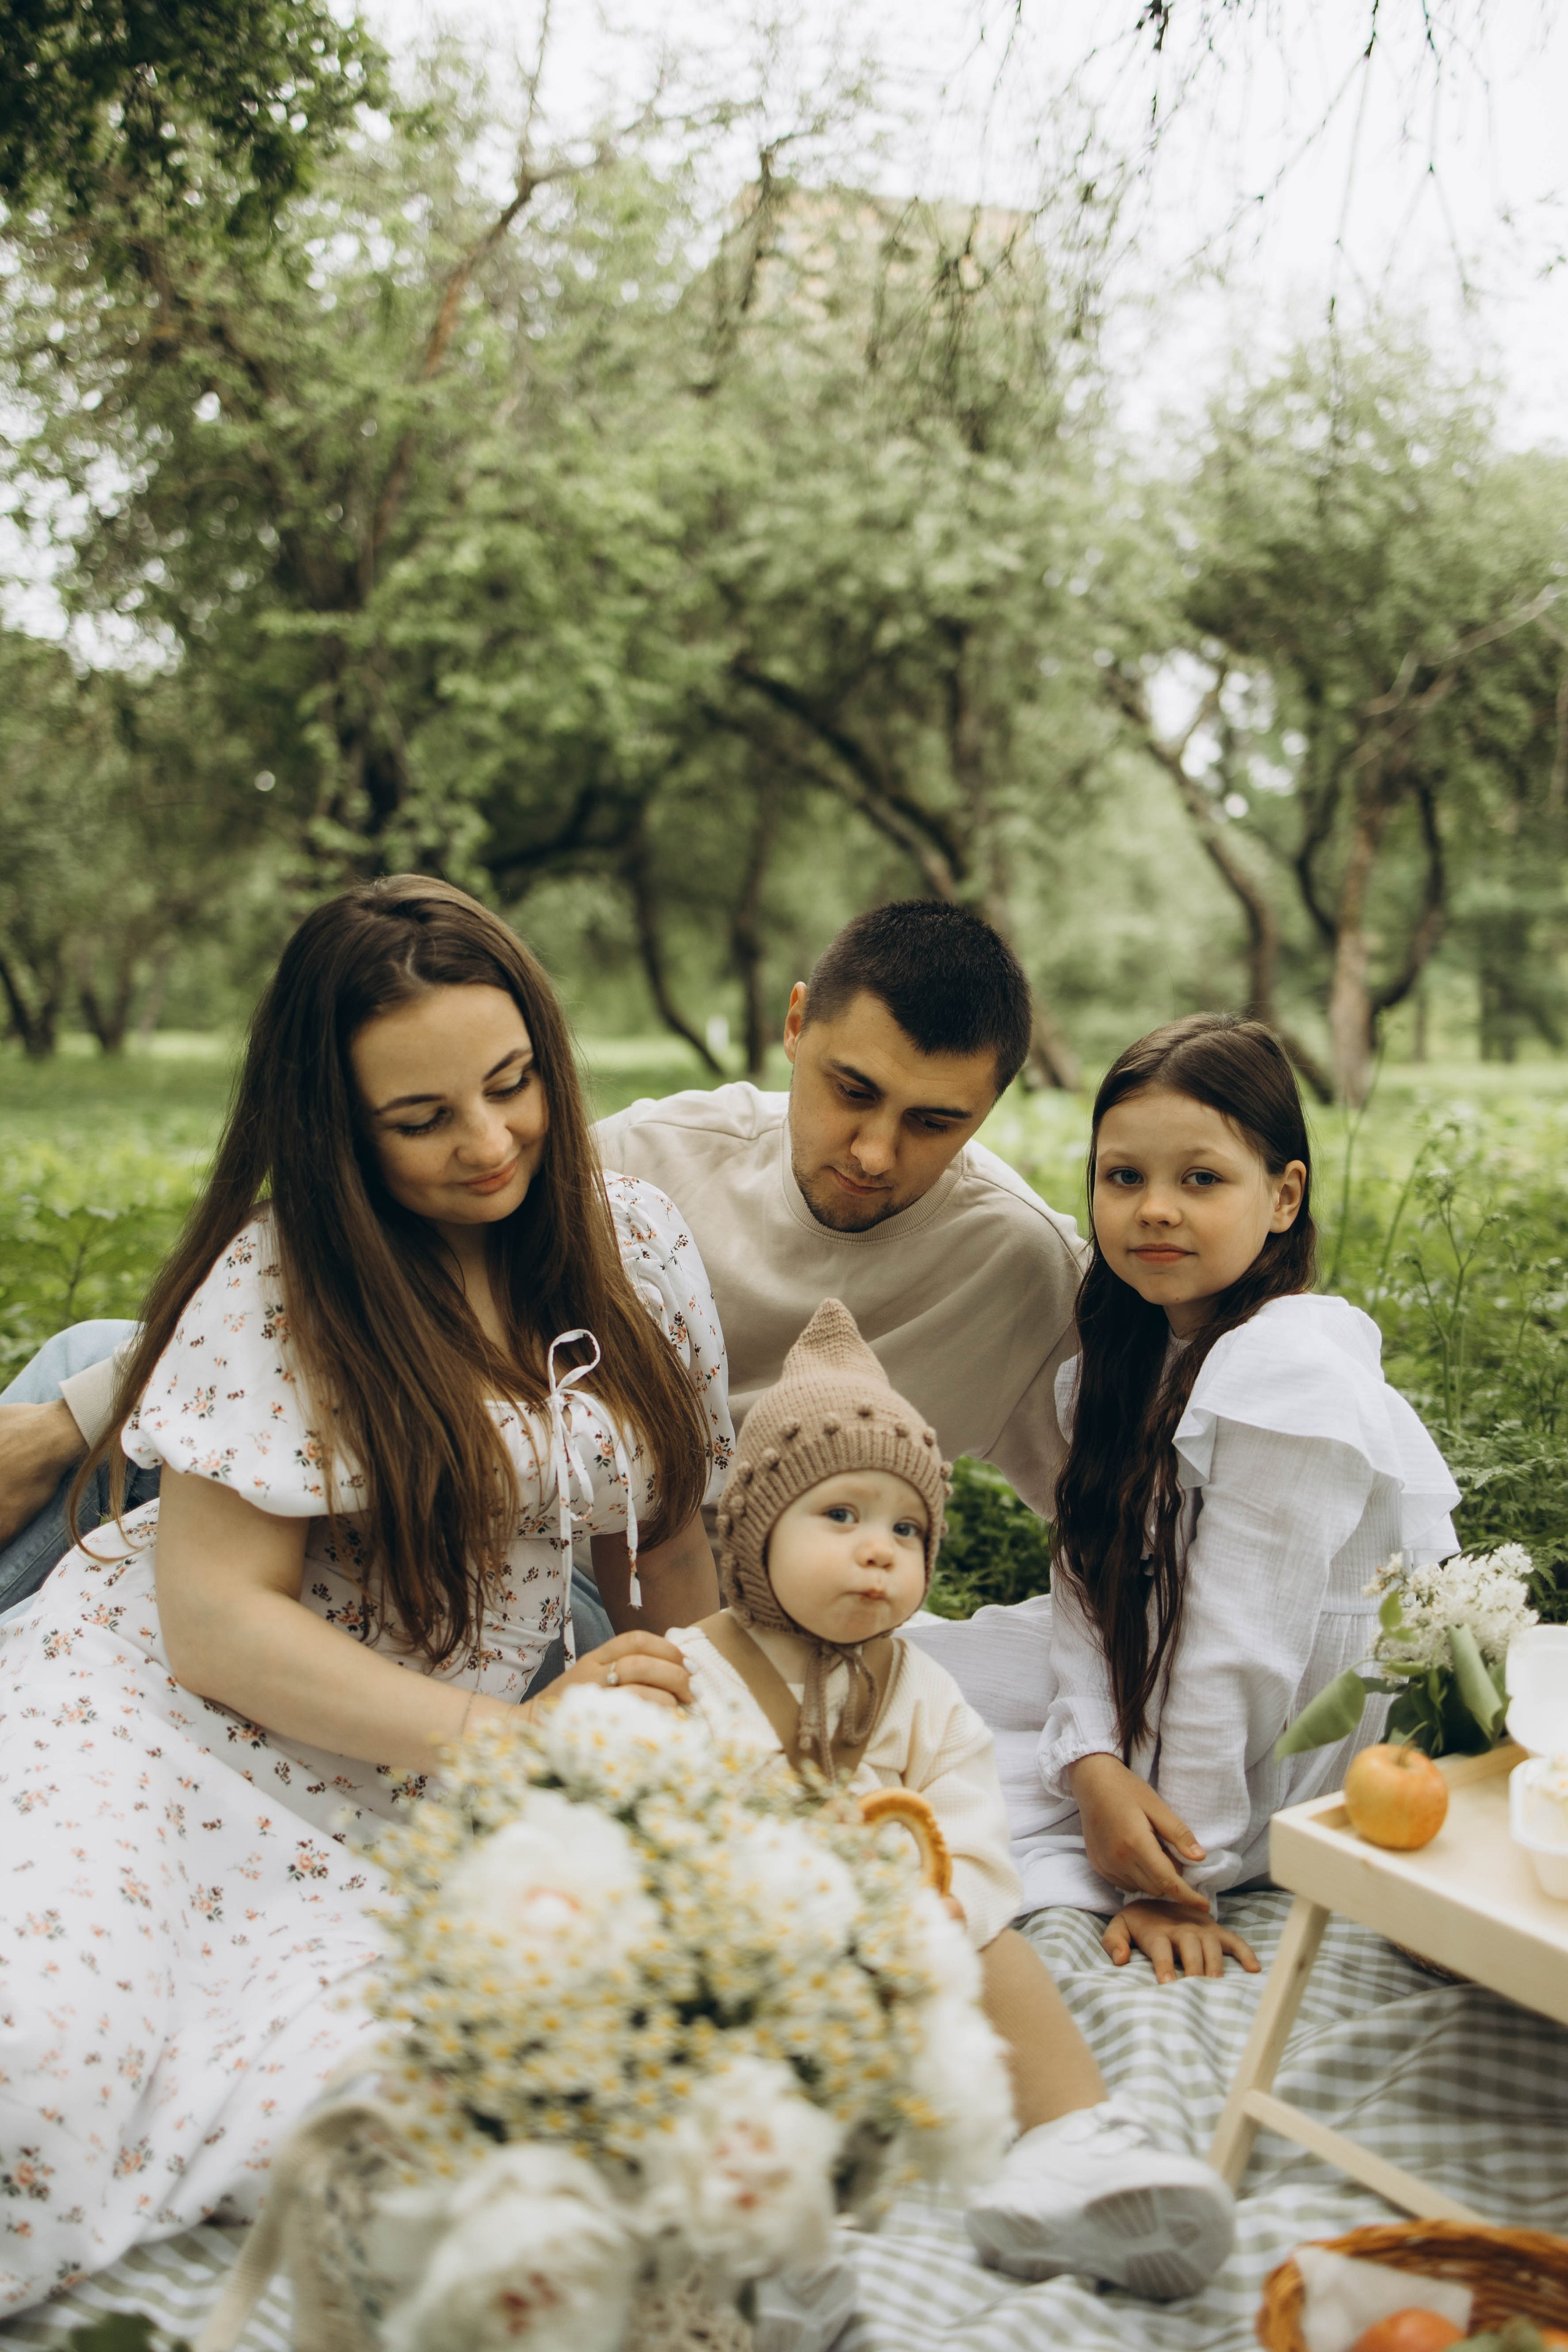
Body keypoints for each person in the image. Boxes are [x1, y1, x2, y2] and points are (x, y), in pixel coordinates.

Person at [0, 876, 731, 2312]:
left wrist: (711, 1749)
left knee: (524, 2095)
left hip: (414, 1797)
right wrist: (511, 1744)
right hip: (168, 1732)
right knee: (41, 2076)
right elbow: (212, 1627)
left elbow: (670, 1545)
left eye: (513, 1085)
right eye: (421, 1120)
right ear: (335, 1131)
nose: (489, 1142)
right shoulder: (281, 1286)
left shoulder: (631, 1245)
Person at [1, 897, 1086, 1612]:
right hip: (482, 1500)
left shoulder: (1019, 1266)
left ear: (994, 1104)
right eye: (852, 1090)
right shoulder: (655, 1163)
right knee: (89, 1364)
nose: (875, 1150)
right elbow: (352, 1275)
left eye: (938, 1123)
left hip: (604, 1597)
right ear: (797, 1025)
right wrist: (78, 1414)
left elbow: (1119, 1500)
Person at [671, 1298, 1238, 2302]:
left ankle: (1070, 2142)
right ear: (752, 1534)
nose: (879, 1548)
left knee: (997, 1951)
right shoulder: (687, 1675)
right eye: (838, 1516)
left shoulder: (920, 1690)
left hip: (892, 1950)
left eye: (906, 1528)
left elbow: (971, 1819)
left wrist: (943, 1900)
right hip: (740, 1952)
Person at [1001, 1016, 1461, 1981]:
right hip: (1159, 1672)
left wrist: (1175, 1876)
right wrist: (1092, 1762)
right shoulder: (1117, 1367)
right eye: (1124, 1178)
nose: (1155, 1209)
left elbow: (1241, 1648)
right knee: (906, 1684)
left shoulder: (1291, 1365)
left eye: (1200, 1180)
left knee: (950, 1783)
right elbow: (1087, 1587)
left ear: (1284, 1195)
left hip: (1290, 1740)